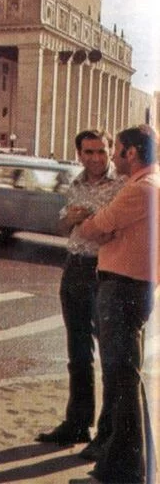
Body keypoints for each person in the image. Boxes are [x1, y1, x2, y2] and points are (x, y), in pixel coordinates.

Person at [70, 126, 159, 484]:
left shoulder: (140, 189)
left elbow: (94, 227)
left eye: (117, 149)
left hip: (122, 289)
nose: (114, 156)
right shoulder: (153, 183)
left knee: (122, 383)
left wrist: (91, 222)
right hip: (135, 287)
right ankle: (133, 467)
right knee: (129, 382)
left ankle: (122, 472)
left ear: (131, 153)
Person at [36, 130, 124, 448]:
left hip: (105, 271)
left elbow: (125, 229)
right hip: (74, 266)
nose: (95, 158)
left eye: (101, 151)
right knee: (77, 351)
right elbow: (62, 226)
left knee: (111, 355)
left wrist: (95, 220)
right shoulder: (75, 183)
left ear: (111, 150)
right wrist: (70, 219)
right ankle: (77, 424)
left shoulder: (123, 184)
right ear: (78, 154)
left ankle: (107, 434)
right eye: (88, 152)